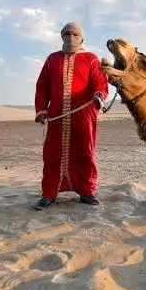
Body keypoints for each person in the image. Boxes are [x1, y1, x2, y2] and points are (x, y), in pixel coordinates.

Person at [33, 21, 109, 210]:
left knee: (85, 152)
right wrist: (41, 109)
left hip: (83, 115)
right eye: (67, 34)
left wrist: (100, 94)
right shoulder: (52, 59)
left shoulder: (91, 59)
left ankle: (87, 192)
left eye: (75, 35)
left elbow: (100, 81)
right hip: (57, 115)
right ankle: (49, 194)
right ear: (62, 37)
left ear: (82, 38)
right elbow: (42, 85)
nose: (71, 38)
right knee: (52, 154)